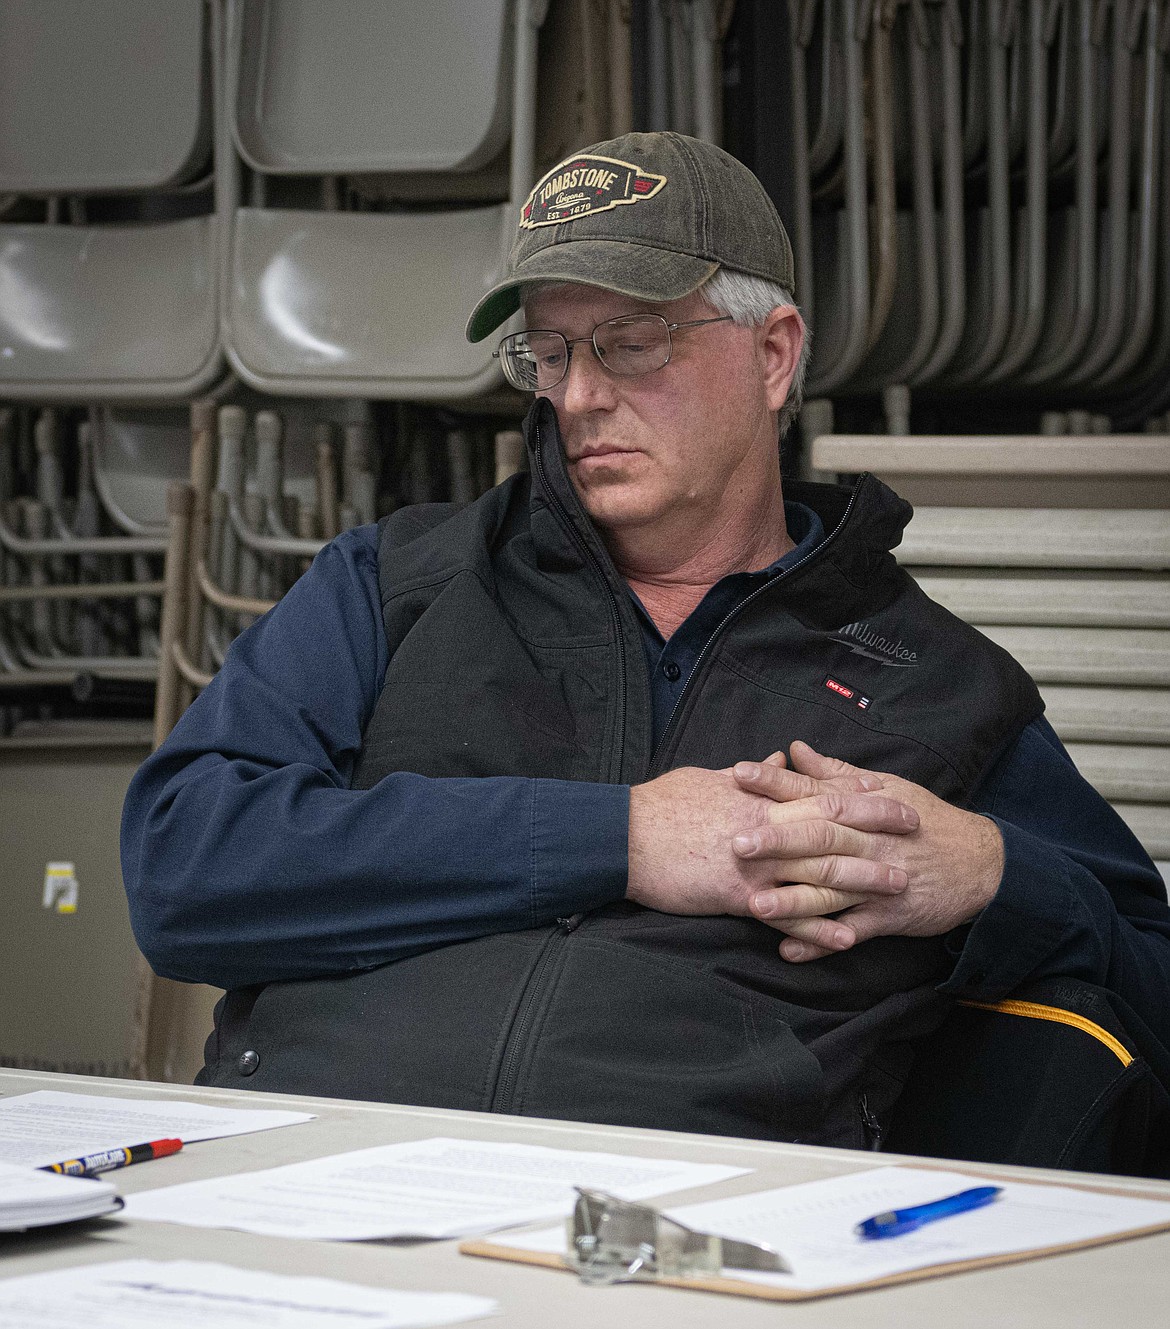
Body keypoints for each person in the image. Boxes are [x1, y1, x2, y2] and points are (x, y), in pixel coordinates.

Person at [122, 132, 1170, 1149]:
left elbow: (1147, 971)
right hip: (311, 1172)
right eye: (550, 351)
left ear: (773, 355)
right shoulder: (397, 584)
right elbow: (184, 868)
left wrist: (995, 875)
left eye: (631, 343)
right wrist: (621, 839)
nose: (579, 396)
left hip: (698, 1239)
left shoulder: (937, 683)